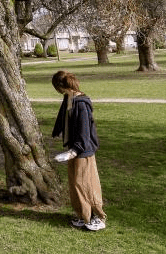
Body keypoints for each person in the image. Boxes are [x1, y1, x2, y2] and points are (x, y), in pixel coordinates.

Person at [51, 70, 107, 232]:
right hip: (73, 148)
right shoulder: (68, 98)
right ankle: (84, 215)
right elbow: (63, 116)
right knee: (75, 184)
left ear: (60, 86)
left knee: (86, 184)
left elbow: (84, 132)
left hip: (83, 150)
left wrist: (74, 152)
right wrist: (58, 131)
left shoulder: (81, 104)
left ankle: (98, 216)